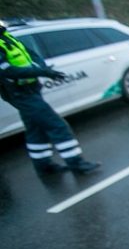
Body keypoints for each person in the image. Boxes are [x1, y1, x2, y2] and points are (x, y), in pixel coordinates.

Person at [0, 22, 100, 175]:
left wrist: (41, 69)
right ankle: (76, 163)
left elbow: (32, 55)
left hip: (30, 89)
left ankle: (43, 166)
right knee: (57, 125)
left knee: (35, 129)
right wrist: (42, 72)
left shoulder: (7, 38)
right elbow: (8, 71)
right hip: (18, 93)